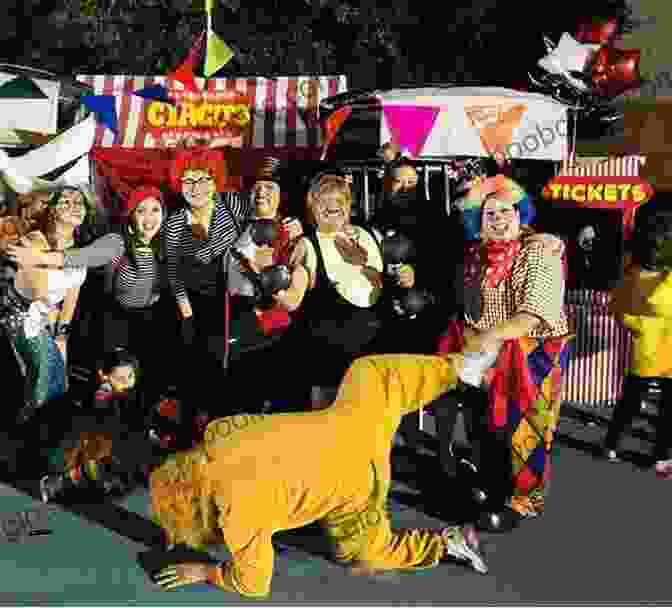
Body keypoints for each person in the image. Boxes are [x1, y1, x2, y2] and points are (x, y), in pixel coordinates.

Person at [150, 353, 488, 599]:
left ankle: (444, 544)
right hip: (356, 425)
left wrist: (204, 571)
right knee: (370, 372)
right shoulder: (218, 433)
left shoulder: (239, 520)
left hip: (360, 487)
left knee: (364, 553)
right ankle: (459, 369)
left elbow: (254, 584)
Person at [436, 174, 572, 531]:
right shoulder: (473, 254)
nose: (497, 218)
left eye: (504, 210)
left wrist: (489, 338)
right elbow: (468, 305)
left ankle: (525, 501)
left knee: (524, 427)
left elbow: (532, 314)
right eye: (487, 213)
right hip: (487, 351)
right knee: (485, 423)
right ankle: (494, 485)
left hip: (534, 352)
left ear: (520, 213)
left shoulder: (540, 250)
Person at [280, 172, 415, 407]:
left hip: (376, 353)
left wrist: (407, 277)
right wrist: (276, 290)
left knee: (377, 427)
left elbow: (395, 277)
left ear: (349, 204)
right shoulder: (306, 245)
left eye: (339, 200)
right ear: (312, 206)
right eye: (324, 200)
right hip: (330, 362)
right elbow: (293, 297)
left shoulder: (372, 235)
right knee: (329, 431)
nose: (333, 205)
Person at [38, 347, 161, 503]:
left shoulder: (127, 395)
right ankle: (58, 484)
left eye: (131, 377)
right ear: (105, 376)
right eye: (121, 379)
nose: (129, 383)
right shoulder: (103, 394)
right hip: (90, 446)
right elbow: (102, 419)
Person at [604, 207, 672, 467]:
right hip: (648, 350)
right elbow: (616, 307)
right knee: (631, 403)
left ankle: (663, 454)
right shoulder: (635, 275)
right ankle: (612, 442)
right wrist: (637, 324)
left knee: (668, 410)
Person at [99, 185, 169, 407]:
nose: (149, 218)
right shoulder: (118, 246)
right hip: (119, 317)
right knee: (120, 378)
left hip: (154, 320)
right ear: (131, 215)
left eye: (155, 210)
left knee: (149, 383)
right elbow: (105, 290)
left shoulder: (168, 245)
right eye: (141, 210)